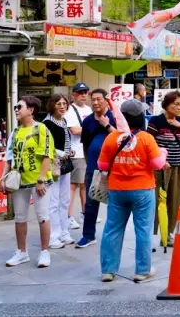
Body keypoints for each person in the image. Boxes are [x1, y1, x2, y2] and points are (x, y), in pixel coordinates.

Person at [98, 99, 167, 283]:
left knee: (112, 228)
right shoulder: (146, 138)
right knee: (143, 230)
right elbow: (158, 164)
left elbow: (102, 164)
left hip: (117, 190)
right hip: (143, 190)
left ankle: (108, 270)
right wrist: (163, 153)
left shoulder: (111, 138)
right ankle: (142, 270)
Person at [1, 95, 55, 268]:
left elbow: (47, 155)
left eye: (20, 107)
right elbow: (9, 158)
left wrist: (40, 179)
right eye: (16, 107)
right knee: (20, 217)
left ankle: (45, 252)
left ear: (31, 110)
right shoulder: (15, 132)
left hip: (39, 181)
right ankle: (21, 252)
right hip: (19, 182)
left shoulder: (41, 129)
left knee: (42, 216)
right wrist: (3, 178)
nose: (16, 109)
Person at [146, 90, 180, 246]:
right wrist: (159, 160)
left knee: (174, 201)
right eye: (176, 104)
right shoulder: (156, 121)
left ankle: (167, 234)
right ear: (167, 104)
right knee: (157, 201)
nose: (179, 107)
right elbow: (148, 143)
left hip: (177, 166)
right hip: (160, 169)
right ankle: (150, 233)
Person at [76, 89, 117, 249]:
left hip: (114, 169)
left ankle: (113, 235)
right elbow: (85, 144)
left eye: (98, 99)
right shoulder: (87, 122)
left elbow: (122, 137)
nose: (95, 102)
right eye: (92, 100)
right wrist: (89, 163)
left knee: (115, 203)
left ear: (106, 101)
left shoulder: (114, 118)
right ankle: (88, 235)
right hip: (94, 168)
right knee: (91, 202)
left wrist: (107, 125)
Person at [43, 93, 75, 249]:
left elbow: (66, 143)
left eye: (64, 103)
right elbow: (45, 146)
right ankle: (53, 236)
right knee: (53, 201)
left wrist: (69, 152)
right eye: (59, 104)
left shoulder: (63, 121)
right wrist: (62, 153)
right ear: (52, 105)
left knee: (65, 200)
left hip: (65, 165)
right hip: (52, 166)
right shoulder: (47, 124)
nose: (62, 106)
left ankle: (64, 232)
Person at [64, 82, 92, 231]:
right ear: (73, 95)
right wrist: (90, 128)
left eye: (85, 92)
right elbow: (74, 130)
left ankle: (85, 212)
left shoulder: (88, 109)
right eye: (80, 92)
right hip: (77, 152)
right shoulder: (69, 111)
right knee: (73, 185)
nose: (83, 95)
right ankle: (68, 216)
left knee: (85, 184)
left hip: (87, 151)